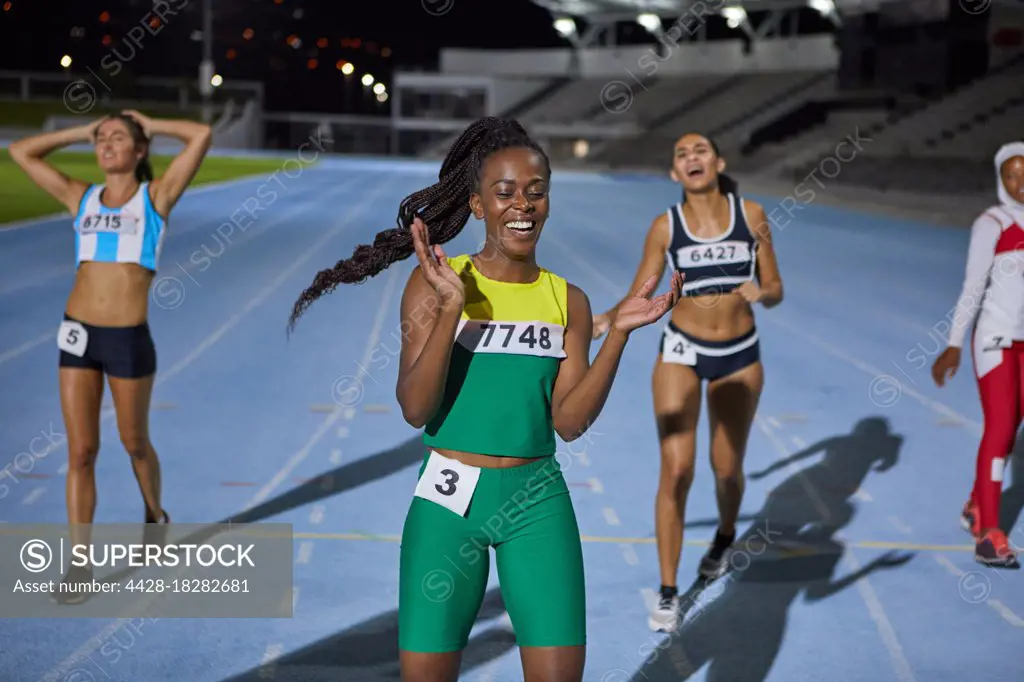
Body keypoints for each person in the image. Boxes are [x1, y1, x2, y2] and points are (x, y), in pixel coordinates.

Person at [287, 117, 683, 682]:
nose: (522, 204)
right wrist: (452, 309)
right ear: (477, 205)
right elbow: (416, 409)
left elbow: (569, 423)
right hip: (449, 503)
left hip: (536, 503)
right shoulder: (437, 283)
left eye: (536, 191)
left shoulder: (568, 301)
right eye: (505, 192)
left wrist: (617, 334)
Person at [9, 110, 212, 601]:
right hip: (78, 334)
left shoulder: (155, 197)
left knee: (134, 442)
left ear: (139, 150)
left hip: (126, 338)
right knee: (81, 451)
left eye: (117, 138)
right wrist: (81, 130)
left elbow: (201, 135)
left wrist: (150, 123)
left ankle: (154, 515)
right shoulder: (80, 196)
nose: (106, 144)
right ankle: (79, 565)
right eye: (101, 138)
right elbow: (20, 152)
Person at [592, 133, 783, 633]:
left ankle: (723, 536)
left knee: (726, 468)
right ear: (675, 174)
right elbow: (641, 292)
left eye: (700, 150)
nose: (691, 158)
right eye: (680, 154)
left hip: (740, 357)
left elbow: (777, 287)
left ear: (718, 162)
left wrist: (760, 292)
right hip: (681, 350)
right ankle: (669, 591)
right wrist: (601, 321)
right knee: (677, 469)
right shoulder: (665, 227)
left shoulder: (753, 216)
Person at [931, 141, 1024, 569]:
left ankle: (975, 504)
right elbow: (972, 287)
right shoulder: (993, 222)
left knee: (1014, 425)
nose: (1020, 182)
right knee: (1001, 428)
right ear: (1000, 179)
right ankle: (989, 532)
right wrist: (953, 344)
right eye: (1012, 174)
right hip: (996, 340)